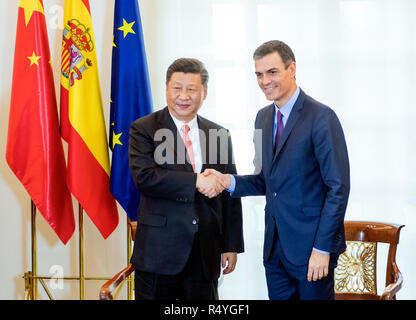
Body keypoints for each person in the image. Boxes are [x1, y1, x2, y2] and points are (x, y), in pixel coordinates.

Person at [202, 40, 350, 300]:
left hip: (312, 251)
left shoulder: (321, 117)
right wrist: (227, 181)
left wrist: (322, 249)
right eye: (259, 74)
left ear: (291, 69)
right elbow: (264, 180)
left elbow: (338, 188)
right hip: (274, 250)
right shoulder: (263, 118)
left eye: (272, 72)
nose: (264, 81)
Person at [128, 58, 244, 300]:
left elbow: (229, 191)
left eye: (191, 89)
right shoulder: (144, 128)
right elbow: (145, 177)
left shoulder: (219, 134)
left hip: (205, 253)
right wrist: (196, 181)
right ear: (166, 88)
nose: (183, 95)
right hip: (158, 253)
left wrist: (231, 244)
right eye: (177, 88)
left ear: (204, 92)